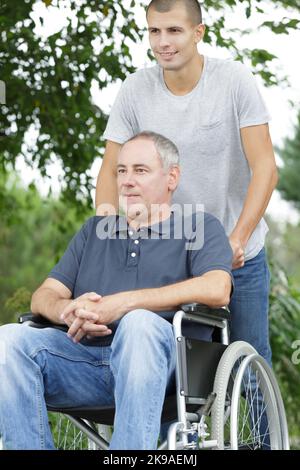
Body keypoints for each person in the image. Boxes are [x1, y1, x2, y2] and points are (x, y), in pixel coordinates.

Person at [0, 132, 233, 450]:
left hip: (167, 368)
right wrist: (67, 309)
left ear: (171, 177)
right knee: (7, 341)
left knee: (138, 323)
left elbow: (218, 288)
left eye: (140, 170)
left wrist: (123, 304)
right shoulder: (94, 232)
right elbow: (43, 296)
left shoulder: (200, 227)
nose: (126, 181)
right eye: (121, 171)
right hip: (83, 366)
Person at [95, 0, 278, 367]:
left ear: (198, 33)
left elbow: (266, 168)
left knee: (251, 364)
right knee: (164, 365)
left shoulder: (233, 81)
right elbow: (110, 170)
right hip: (167, 254)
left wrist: (236, 239)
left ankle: (263, 426)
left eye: (174, 31)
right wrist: (108, 233)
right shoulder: (135, 90)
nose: (163, 41)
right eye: (154, 31)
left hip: (236, 252)